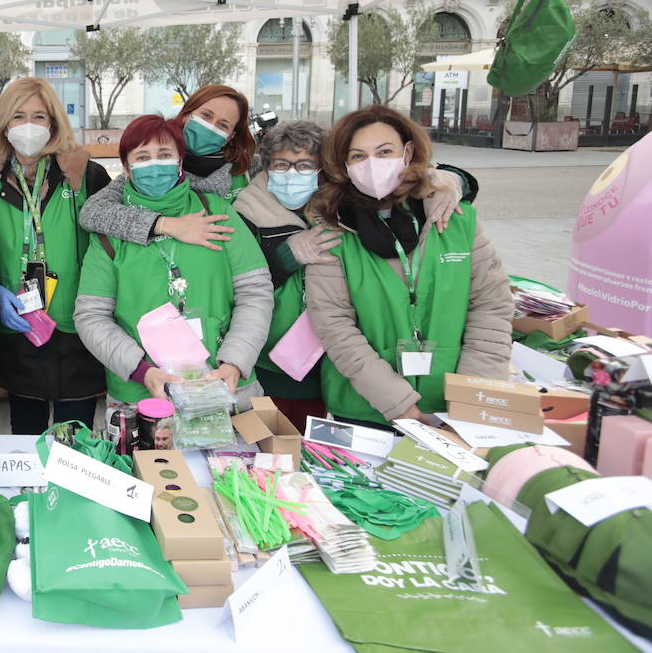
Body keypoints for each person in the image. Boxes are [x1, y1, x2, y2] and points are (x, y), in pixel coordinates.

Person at [235, 120, 477, 431]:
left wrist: (457, 179)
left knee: (322, 449)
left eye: (305, 164)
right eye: (281, 164)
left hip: (338, 364)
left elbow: (421, 184)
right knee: (271, 447)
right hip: (271, 361)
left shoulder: (345, 207)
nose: (292, 174)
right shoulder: (246, 211)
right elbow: (237, 283)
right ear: (266, 168)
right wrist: (286, 257)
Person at [305, 106, 512, 428]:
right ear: (344, 166)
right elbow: (334, 325)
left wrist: (475, 394)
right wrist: (395, 401)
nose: (373, 164)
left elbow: (491, 305)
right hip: (365, 410)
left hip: (453, 407)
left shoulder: (456, 219)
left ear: (408, 151)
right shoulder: (331, 231)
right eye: (358, 156)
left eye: (385, 152)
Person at [73, 115, 273, 409]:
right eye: (143, 156)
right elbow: (91, 316)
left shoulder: (217, 213)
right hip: (143, 398)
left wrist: (235, 361)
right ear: (126, 168)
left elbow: (255, 292)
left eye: (165, 155)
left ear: (180, 163)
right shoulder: (110, 232)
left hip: (224, 387)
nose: (155, 163)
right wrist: (142, 371)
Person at [0, 77, 111, 434]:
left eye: (39, 116)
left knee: (75, 442)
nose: (28, 126)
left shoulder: (85, 175)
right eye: (18, 116)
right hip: (18, 326)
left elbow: (111, 244)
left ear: (54, 124)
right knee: (26, 436)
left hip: (76, 328)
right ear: (3, 124)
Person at [79, 84, 256, 253]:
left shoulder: (247, 170)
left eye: (222, 125)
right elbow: (92, 213)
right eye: (206, 116)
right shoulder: (155, 167)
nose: (210, 126)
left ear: (231, 136)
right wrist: (164, 225)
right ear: (187, 114)